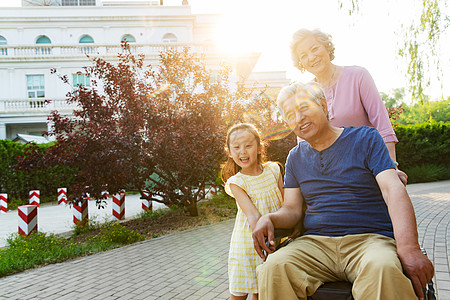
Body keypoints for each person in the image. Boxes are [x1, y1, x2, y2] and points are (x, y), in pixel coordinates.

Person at [252, 82, 434, 300]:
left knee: (383, 268)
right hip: (315, 244)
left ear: (322, 105)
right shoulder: (295, 157)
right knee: (274, 268)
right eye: (291, 114)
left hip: (369, 240)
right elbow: (291, 209)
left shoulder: (366, 139)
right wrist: (268, 218)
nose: (298, 118)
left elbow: (392, 189)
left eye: (303, 108)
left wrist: (409, 247)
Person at [290, 28, 407, 185]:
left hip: (369, 169)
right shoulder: (304, 93)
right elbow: (303, 142)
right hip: (329, 176)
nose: (311, 57)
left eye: (314, 48)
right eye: (303, 56)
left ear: (326, 47)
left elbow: (383, 125)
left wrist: (392, 168)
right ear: (300, 63)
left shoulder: (358, 76)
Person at [221, 123, 284, 300]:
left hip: (276, 239)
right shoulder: (236, 182)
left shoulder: (274, 170)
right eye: (236, 147)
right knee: (239, 295)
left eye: (248, 145)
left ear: (259, 147)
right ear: (229, 152)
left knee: (262, 291)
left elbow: (286, 203)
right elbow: (253, 216)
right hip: (248, 244)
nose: (243, 151)